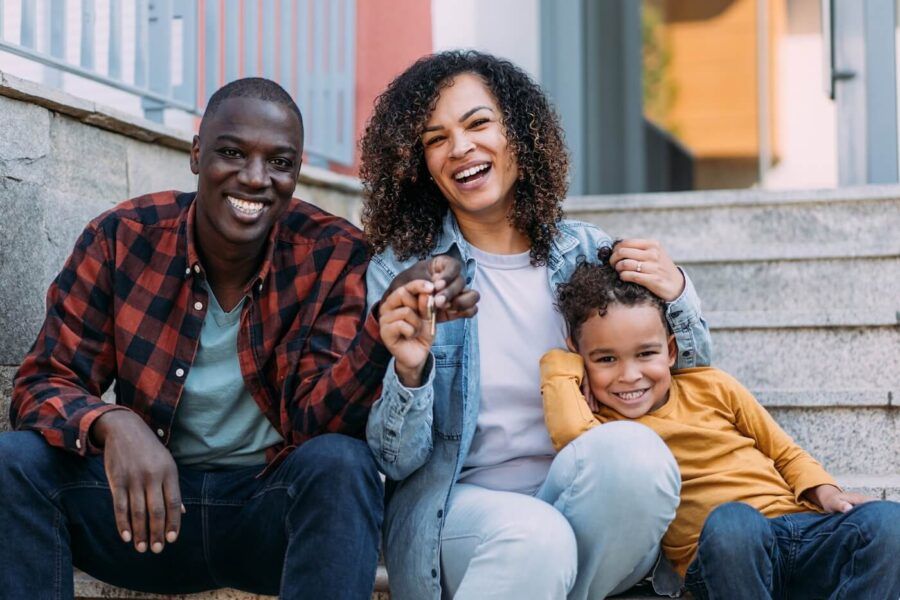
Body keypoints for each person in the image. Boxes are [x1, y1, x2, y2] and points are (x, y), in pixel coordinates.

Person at [0, 78, 471, 600]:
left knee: (343, 462)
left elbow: (320, 426)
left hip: (267, 517)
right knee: (14, 461)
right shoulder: (122, 238)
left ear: (295, 171)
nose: (254, 178)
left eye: (279, 162)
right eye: (231, 152)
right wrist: (112, 423)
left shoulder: (334, 255)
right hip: (146, 516)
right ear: (196, 153)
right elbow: (40, 385)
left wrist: (379, 337)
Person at [361, 50, 712, 600]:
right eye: (435, 138)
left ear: (519, 134)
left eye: (478, 123)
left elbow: (686, 380)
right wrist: (409, 371)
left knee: (638, 457)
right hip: (457, 515)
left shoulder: (589, 253)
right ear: (420, 164)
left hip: (585, 503)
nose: (460, 148)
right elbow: (393, 459)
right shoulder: (400, 273)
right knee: (534, 537)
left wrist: (680, 294)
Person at [540, 244, 900, 599]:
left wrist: (827, 493)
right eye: (605, 359)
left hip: (799, 530)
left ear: (669, 350)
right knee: (733, 523)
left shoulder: (712, 385)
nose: (630, 375)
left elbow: (785, 453)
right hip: (719, 555)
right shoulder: (605, 429)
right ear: (580, 354)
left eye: (645, 354)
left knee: (887, 522)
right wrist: (560, 363)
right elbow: (571, 434)